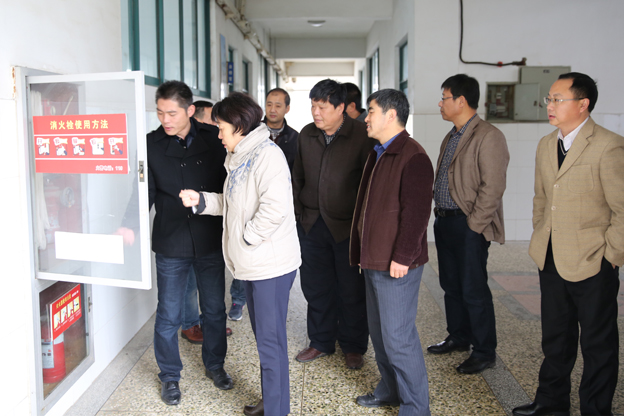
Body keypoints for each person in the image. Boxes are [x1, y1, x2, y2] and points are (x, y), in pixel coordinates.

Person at [180, 91, 301, 416]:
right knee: (266, 341)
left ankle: (276, 410)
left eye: (221, 128)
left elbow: (274, 209)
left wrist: (246, 239)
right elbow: (235, 202)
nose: (218, 134)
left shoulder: (267, 156)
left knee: (271, 343)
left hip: (269, 265)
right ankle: (272, 401)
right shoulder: (242, 155)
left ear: (238, 126)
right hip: (254, 263)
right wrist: (202, 201)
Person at [512, 73, 623, 416]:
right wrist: (540, 234)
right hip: (551, 257)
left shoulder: (608, 145)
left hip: (593, 261)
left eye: (557, 99)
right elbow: (541, 198)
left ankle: (595, 409)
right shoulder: (547, 144)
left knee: (597, 343)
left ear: (583, 104)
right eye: (549, 99)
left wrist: (611, 256)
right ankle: (551, 402)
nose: (550, 105)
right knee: (555, 338)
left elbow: (622, 209)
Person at [137, 81, 232, 405]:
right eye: (160, 113)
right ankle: (169, 376)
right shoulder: (150, 144)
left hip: (209, 238)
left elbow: (229, 186)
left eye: (172, 113)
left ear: (190, 110)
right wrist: (128, 226)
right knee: (168, 314)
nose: (165, 119)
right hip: (171, 241)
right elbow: (143, 192)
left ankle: (215, 365)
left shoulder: (214, 138)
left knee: (214, 309)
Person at [350, 89, 434, 415]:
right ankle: (390, 391)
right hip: (374, 259)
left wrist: (403, 256)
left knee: (398, 339)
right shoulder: (379, 152)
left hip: (396, 264)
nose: (366, 117)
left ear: (391, 115)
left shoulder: (413, 156)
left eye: (371, 111)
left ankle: (416, 408)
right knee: (381, 335)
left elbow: (417, 215)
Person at [427, 74, 509, 375]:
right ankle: (459, 336)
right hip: (445, 221)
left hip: (468, 225)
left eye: (444, 97)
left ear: (461, 101)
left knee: (473, 289)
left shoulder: (488, 135)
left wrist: (475, 226)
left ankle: (484, 351)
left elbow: (493, 187)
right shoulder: (452, 135)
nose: (440, 103)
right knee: (451, 285)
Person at [293, 79, 375, 370]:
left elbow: (369, 183)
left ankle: (353, 346)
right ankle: (321, 341)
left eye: (323, 107)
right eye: (313, 106)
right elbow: (297, 178)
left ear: (341, 108)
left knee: (351, 289)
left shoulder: (361, 136)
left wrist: (362, 225)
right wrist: (299, 215)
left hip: (346, 227)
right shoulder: (306, 135)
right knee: (316, 286)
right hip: (312, 224)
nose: (316, 113)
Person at [263, 87, 298, 171]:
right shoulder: (253, 132)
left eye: (278, 106)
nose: (272, 110)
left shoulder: (295, 138)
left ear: (287, 109)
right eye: (269, 105)